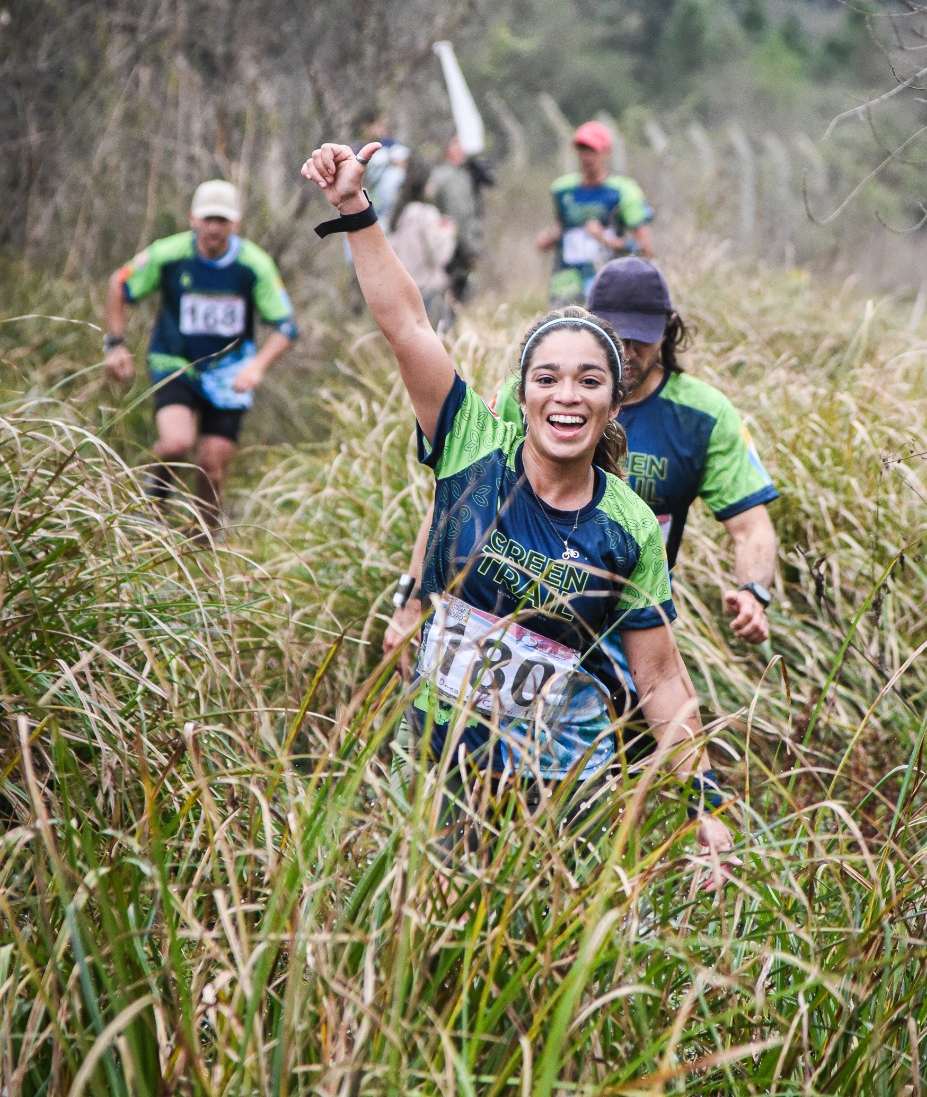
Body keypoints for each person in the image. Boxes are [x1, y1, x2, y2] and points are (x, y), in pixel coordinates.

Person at [301, 139, 733, 882]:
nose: (568, 394)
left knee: (543, 945)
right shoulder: (470, 440)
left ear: (611, 401)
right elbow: (407, 324)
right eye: (549, 378)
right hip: (440, 751)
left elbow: (661, 682)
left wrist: (705, 806)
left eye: (589, 381)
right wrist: (354, 209)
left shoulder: (627, 525)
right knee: (428, 928)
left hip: (562, 773)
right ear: (524, 393)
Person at [385, 257, 778, 705]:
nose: (627, 350)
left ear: (668, 331)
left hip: (626, 617)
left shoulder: (705, 416)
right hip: (518, 610)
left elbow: (752, 527)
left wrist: (752, 591)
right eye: (616, 334)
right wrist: (412, 598)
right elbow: (458, 494)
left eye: (641, 338)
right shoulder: (540, 392)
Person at [102, 178, 297, 526]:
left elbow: (285, 326)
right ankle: (153, 511)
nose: (214, 228)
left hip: (228, 373)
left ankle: (205, 544)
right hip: (174, 362)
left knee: (211, 464)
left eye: (222, 220)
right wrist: (115, 344)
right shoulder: (169, 253)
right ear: (193, 218)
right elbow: (119, 283)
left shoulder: (255, 264)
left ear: (235, 223)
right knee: (176, 444)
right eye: (208, 219)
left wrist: (257, 366)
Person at [536, 121, 654, 304]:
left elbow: (645, 248)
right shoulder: (563, 190)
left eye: (593, 150)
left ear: (607, 152)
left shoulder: (623, 191)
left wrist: (604, 238)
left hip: (607, 282)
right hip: (566, 287)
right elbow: (562, 227)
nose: (587, 157)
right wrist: (549, 238)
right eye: (582, 149)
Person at [387, 155, 457, 331]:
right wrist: (448, 232)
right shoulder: (427, 214)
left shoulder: (399, 214)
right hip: (429, 292)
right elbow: (440, 255)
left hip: (406, 295)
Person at [427, 136, 495, 305]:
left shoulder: (439, 174)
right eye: (456, 143)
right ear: (448, 148)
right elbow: (461, 216)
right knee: (455, 300)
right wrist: (471, 250)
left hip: (438, 247)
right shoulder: (453, 178)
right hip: (455, 251)